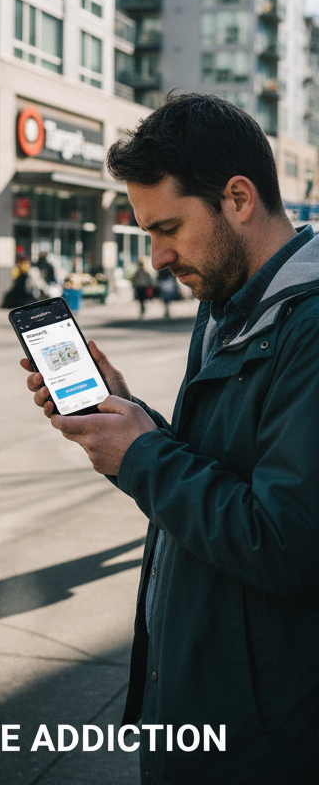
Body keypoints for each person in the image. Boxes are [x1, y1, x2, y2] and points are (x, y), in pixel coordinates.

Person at [21, 93, 319, 784]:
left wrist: (142, 454)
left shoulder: (305, 329)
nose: (155, 257)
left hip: (261, 734)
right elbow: (220, 467)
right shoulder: (225, 305)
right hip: (201, 699)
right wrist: (129, 414)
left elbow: (287, 542)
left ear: (239, 198)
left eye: (168, 228)